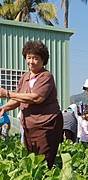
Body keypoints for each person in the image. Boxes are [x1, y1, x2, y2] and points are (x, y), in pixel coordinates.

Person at [0, 40, 62, 168]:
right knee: (32, 159)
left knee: (43, 161)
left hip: (46, 124)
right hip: (29, 126)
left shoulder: (46, 76)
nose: (31, 61)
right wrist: (4, 107)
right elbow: (19, 99)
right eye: (29, 58)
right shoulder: (25, 77)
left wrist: (7, 93)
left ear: (43, 60)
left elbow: (36, 98)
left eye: (35, 58)